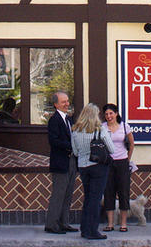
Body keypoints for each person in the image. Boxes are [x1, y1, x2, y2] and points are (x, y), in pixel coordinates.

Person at [71, 103, 115, 241]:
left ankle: (85, 229)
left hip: (83, 167)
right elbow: (112, 149)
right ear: (95, 115)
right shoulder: (100, 130)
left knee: (88, 197)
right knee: (95, 199)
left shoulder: (75, 130)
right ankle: (93, 230)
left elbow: (75, 151)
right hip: (98, 166)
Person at [44, 91, 78, 235]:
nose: (67, 104)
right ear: (56, 104)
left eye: (67, 101)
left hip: (71, 161)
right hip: (60, 162)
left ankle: (64, 223)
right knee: (58, 194)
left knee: (68, 193)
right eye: (63, 102)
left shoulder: (69, 120)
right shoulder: (54, 120)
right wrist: (70, 145)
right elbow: (53, 141)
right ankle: (51, 224)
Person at [101, 103, 134, 232]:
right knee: (108, 192)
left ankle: (123, 223)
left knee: (123, 192)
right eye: (106, 114)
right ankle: (110, 223)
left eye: (111, 113)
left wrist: (128, 159)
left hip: (122, 163)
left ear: (116, 114)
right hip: (108, 163)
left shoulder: (124, 127)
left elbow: (131, 144)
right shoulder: (102, 128)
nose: (109, 116)